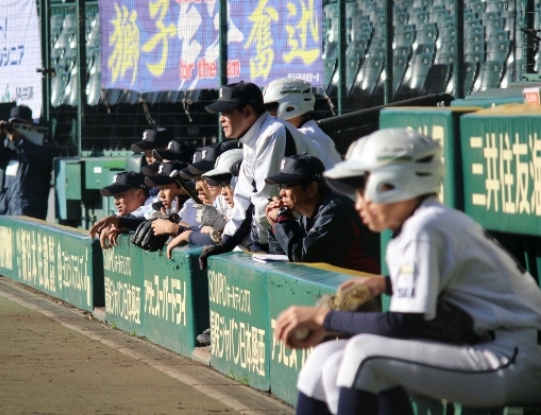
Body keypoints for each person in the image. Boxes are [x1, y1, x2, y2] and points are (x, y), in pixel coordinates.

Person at [274, 128, 541, 415]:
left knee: (364, 354)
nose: (358, 203)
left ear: (390, 184)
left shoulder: (425, 227)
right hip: (494, 348)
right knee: (328, 357)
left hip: (516, 356)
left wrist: (323, 318)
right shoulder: (422, 223)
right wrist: (386, 284)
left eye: (362, 191)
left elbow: (401, 325)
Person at [199, 81, 329, 266]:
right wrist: (227, 242)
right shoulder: (254, 136)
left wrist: (258, 244)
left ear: (247, 111)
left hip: (327, 219)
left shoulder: (272, 132)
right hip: (304, 221)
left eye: (227, 111)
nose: (221, 118)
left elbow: (266, 197)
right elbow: (243, 197)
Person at [264, 154, 379, 273]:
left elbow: (305, 257)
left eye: (287, 186)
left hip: (368, 281)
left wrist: (282, 219)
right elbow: (281, 256)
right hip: (346, 282)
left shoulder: (335, 210)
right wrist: (276, 225)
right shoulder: (309, 214)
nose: (281, 193)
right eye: (280, 186)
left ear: (311, 189)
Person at [0, 104, 57, 220]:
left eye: (19, 124)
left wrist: (20, 141)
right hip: (6, 208)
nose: (15, 128)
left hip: (27, 210)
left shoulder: (42, 141)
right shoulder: (9, 144)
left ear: (30, 123)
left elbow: (43, 159)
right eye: (13, 124)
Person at [263, 78, 341, 166]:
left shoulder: (306, 135)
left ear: (290, 108)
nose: (268, 113)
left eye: (271, 107)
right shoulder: (311, 132)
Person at [95, 171, 149, 248]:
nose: (116, 202)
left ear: (139, 194)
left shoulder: (155, 208)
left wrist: (122, 225)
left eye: (120, 196)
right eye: (115, 197)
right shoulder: (128, 213)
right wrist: (111, 225)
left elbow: (145, 220)